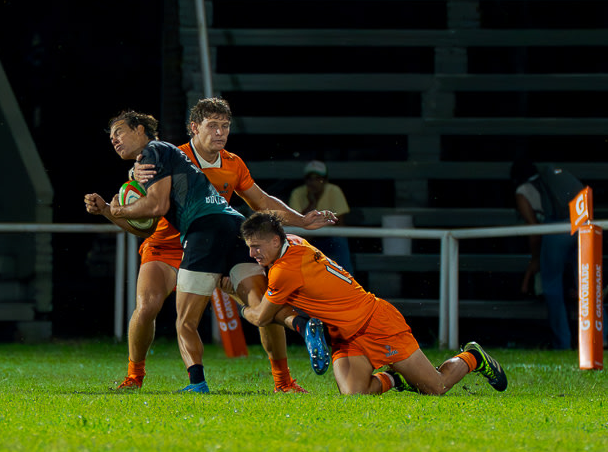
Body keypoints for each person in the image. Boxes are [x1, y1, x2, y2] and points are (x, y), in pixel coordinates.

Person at [84, 107, 337, 393]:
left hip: (203, 238)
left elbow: (261, 200)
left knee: (191, 320)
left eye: (225, 126)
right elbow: (147, 226)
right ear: (194, 128)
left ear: (140, 131)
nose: (220, 132)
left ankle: (274, 381)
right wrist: (113, 206)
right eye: (213, 125)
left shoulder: (223, 162)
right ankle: (134, 376)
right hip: (173, 244)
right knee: (151, 307)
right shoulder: (171, 153)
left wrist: (301, 219)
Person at [221, 211, 508, 397]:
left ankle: (473, 357)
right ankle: (397, 380)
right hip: (345, 334)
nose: (252, 252)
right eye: (249, 245)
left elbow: (260, 318)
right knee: (355, 394)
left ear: (274, 241)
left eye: (257, 246)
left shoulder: (285, 271)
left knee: (436, 388)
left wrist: (236, 295)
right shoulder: (293, 241)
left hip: (376, 323)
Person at [511, 160, 583, 350]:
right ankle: (601, 337)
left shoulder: (523, 191)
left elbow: (534, 228)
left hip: (556, 229)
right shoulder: (552, 182)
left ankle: (563, 342)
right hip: (581, 225)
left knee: (552, 287)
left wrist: (535, 259)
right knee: (588, 283)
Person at [288, 160, 353, 273]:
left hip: (329, 238)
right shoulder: (298, 193)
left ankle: (348, 279)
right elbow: (296, 224)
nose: (314, 182)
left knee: (340, 242)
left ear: (325, 180)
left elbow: (340, 225)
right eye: (310, 178)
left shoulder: (334, 191)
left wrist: (314, 226)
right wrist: (311, 204)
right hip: (306, 238)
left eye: (318, 178)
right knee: (292, 243)